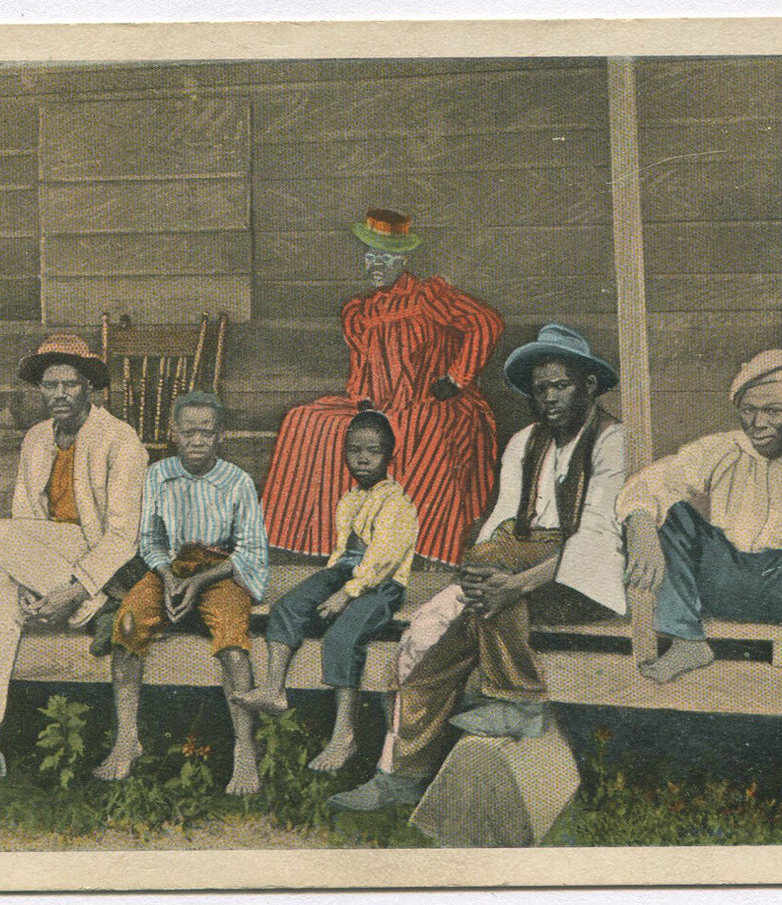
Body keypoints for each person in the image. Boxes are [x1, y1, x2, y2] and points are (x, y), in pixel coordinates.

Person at [327, 323, 626, 812]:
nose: (548, 398)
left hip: (578, 578)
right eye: (540, 388)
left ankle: (521, 698)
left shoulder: (613, 440)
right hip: (509, 569)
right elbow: (499, 523)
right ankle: (399, 776)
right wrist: (477, 576)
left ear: (589, 384)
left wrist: (508, 583)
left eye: (561, 385)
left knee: (489, 568)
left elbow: (594, 537)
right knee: (424, 639)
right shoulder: (525, 442)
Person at [0, 334, 147, 788]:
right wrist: (28, 581)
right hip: (46, 561)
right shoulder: (36, 439)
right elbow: (29, 519)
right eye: (50, 386)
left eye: (69, 384)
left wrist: (73, 590)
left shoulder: (120, 440)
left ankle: (93, 603)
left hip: (103, 562)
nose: (59, 395)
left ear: (89, 388)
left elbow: (124, 536)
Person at [260, 208, 503, 566]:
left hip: (435, 402)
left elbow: (487, 323)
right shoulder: (361, 310)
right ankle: (320, 541)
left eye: (386, 258)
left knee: (419, 432)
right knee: (307, 420)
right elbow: (360, 365)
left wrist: (456, 377)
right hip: (383, 404)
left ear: (403, 260)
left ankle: (412, 548)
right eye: (370, 256)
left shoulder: (428, 297)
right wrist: (363, 400)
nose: (376, 265)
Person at [619, 349, 782, 697]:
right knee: (667, 512)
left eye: (774, 411)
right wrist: (641, 527)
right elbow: (654, 480)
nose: (758, 423)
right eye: (749, 410)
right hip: (728, 581)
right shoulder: (721, 448)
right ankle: (687, 641)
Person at [92, 391, 269, 796]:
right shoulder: (159, 475)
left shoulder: (237, 482)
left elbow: (251, 552)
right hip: (171, 568)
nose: (197, 441)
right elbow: (151, 539)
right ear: (173, 433)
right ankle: (127, 739)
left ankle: (245, 747)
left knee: (232, 640)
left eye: (207, 432)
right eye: (188, 432)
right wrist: (168, 576)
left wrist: (201, 581)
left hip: (220, 571)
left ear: (220, 435)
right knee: (128, 622)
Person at [232, 409, 418, 773]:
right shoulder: (349, 499)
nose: (363, 458)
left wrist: (345, 595)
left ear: (389, 455)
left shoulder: (397, 503)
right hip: (347, 572)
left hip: (382, 584)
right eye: (354, 450)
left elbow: (381, 560)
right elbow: (342, 554)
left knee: (342, 637)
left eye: (373, 451)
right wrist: (327, 585)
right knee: (288, 606)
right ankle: (274, 687)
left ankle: (343, 735)